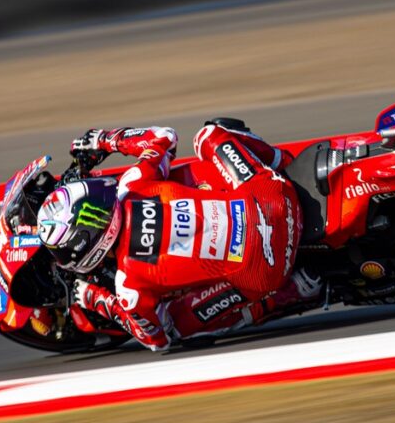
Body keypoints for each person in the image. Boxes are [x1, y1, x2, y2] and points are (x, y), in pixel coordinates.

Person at [36, 121, 322, 351]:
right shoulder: (133, 184)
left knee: (178, 326)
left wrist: (95, 297)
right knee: (208, 134)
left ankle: (292, 291)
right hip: (275, 196)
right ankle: (284, 163)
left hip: (268, 270)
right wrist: (104, 140)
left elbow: (157, 340)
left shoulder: (128, 286)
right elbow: (164, 137)